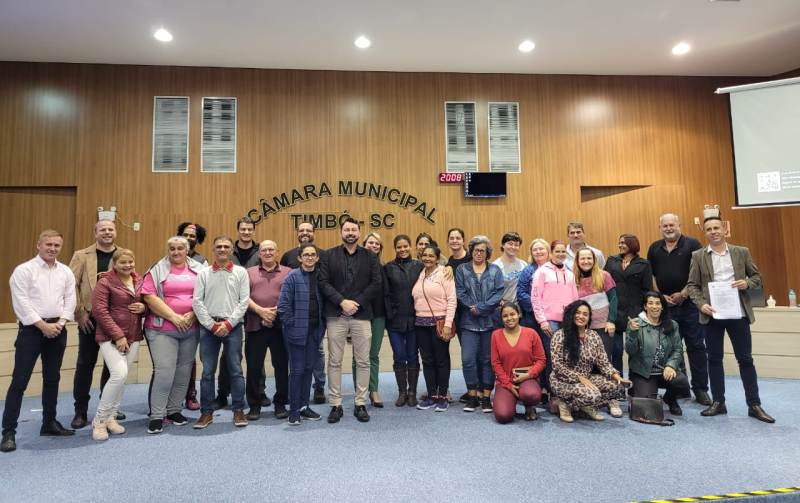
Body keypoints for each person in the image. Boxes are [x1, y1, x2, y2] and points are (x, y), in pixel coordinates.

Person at [686, 216, 774, 423]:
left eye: (716, 227)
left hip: (738, 314)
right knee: (714, 359)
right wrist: (701, 304)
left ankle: (754, 404)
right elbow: (692, 285)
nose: (713, 231)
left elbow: (757, 277)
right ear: (705, 233)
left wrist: (746, 283)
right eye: (709, 229)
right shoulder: (698, 256)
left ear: (724, 230)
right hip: (712, 315)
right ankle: (719, 402)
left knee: (745, 359)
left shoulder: (741, 252)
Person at [2, 230, 76, 453]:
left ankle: (49, 423)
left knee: (52, 379)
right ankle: (8, 431)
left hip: (58, 329)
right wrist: (43, 326)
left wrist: (60, 323)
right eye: (48, 244)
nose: (52, 248)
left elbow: (70, 299)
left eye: (56, 245)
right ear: (39, 245)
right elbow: (21, 302)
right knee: (20, 380)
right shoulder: (24, 270)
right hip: (31, 331)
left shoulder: (65, 271)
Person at [318, 217, 382, 424]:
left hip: (361, 314)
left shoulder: (370, 256)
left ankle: (360, 402)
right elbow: (323, 282)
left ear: (359, 232)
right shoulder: (328, 255)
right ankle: (335, 404)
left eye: (354, 229)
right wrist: (342, 302)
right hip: (336, 314)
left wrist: (357, 303)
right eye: (347, 230)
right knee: (334, 361)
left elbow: (376, 283)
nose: (350, 233)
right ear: (341, 232)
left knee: (363, 361)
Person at [141, 236, 204, 434]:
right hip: (162, 329)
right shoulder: (157, 269)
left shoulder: (200, 269)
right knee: (165, 372)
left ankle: (174, 410)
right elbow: (149, 297)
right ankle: (157, 415)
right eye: (172, 249)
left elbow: (206, 294)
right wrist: (174, 317)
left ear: (187, 250)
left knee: (184, 372)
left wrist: (192, 315)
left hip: (191, 328)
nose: (176, 252)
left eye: (180, 248)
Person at [647, 213, 710, 406]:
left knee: (696, 347)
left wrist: (683, 293)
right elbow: (652, 276)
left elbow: (699, 273)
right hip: (666, 308)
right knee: (670, 350)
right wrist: (660, 297)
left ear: (679, 225)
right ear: (660, 227)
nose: (668, 228)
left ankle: (700, 389)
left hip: (690, 306)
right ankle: (679, 389)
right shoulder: (654, 248)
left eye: (671, 225)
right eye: (665, 225)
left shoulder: (693, 244)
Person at [192, 236, 250, 429]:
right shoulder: (203, 273)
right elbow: (197, 302)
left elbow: (244, 301)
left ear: (231, 250)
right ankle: (206, 412)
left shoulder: (241, 272)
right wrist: (212, 325)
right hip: (209, 328)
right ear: (213, 249)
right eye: (219, 246)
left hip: (233, 327)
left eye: (226, 246)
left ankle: (238, 409)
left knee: (236, 369)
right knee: (208, 372)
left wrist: (229, 324)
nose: (222, 249)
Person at [90, 249, 146, 440]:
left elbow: (146, 302)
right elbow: (99, 310)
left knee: (122, 378)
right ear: (114, 264)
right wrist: (118, 335)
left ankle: (111, 418)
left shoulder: (138, 280)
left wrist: (144, 308)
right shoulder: (105, 282)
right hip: (110, 336)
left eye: (130, 261)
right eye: (123, 262)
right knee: (118, 374)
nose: (128, 265)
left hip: (134, 335)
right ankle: (99, 421)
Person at [68, 219, 117, 429]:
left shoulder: (123, 254)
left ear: (115, 232)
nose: (107, 232)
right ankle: (80, 411)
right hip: (88, 319)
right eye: (102, 229)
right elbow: (70, 285)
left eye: (110, 229)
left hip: (114, 320)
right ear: (95, 233)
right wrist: (79, 312)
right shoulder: (81, 255)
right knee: (85, 365)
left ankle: (107, 410)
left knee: (112, 366)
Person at [550, 300, 630, 423]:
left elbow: (603, 362)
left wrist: (617, 377)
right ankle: (564, 403)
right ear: (571, 314)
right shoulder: (560, 335)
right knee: (593, 396)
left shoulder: (593, 336)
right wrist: (579, 378)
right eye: (577, 313)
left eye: (585, 314)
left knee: (617, 387)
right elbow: (557, 366)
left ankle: (583, 406)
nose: (581, 316)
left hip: (586, 378)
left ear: (589, 318)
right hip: (562, 380)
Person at [217, 217, 263, 410]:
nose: (246, 232)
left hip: (254, 309)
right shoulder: (228, 250)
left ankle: (259, 392)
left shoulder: (260, 252)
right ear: (238, 230)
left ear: (253, 231)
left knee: (255, 353)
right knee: (228, 355)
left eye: (249, 229)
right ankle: (222, 394)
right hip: (230, 309)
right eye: (243, 229)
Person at [455, 235, 504, 413]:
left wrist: (481, 308)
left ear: (487, 253)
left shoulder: (495, 270)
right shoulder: (462, 269)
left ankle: (486, 398)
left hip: (490, 322)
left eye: (482, 250)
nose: (479, 253)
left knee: (487, 360)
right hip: (468, 322)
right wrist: (472, 307)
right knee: (468, 360)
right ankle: (472, 396)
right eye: (476, 250)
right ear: (471, 251)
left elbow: (499, 293)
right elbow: (460, 291)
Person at [278, 244, 326, 425]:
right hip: (296, 331)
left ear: (317, 258)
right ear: (300, 258)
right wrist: (291, 325)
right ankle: (294, 410)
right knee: (297, 371)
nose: (310, 257)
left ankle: (304, 407)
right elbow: (283, 306)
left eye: (313, 254)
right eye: (306, 254)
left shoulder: (321, 277)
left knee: (308, 369)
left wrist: (322, 326)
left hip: (315, 331)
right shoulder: (292, 276)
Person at [245, 240, 290, 420]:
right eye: (264, 250)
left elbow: (290, 296)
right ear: (259, 253)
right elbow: (243, 296)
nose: (268, 252)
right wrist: (261, 311)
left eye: (271, 249)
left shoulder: (288, 272)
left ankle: (280, 403)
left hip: (280, 328)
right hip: (255, 325)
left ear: (277, 252)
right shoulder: (249, 272)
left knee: (281, 367)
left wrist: (274, 313)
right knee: (254, 368)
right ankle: (254, 405)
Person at [625, 292, 690, 416]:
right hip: (644, 373)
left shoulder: (672, 325)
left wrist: (671, 365)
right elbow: (630, 351)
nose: (654, 306)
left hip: (664, 370)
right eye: (650, 303)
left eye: (657, 303)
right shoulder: (635, 323)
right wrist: (633, 333)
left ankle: (670, 399)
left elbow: (678, 350)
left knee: (681, 382)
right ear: (645, 306)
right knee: (647, 410)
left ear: (662, 306)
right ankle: (642, 392)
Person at [411, 245, 456, 411]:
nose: (427, 258)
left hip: (440, 323)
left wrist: (448, 324)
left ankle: (443, 396)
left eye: (431, 256)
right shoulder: (420, 273)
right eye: (425, 255)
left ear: (437, 258)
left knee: (441, 360)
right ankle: (432, 395)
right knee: (427, 360)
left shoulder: (444, 273)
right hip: (421, 324)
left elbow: (452, 300)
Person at [531, 240, 578, 397]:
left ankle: (565, 389)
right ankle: (552, 391)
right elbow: (535, 298)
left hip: (567, 321)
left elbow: (575, 299)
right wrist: (542, 321)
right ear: (551, 253)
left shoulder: (570, 274)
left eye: (563, 251)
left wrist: (575, 320)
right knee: (552, 356)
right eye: (557, 251)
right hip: (549, 321)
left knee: (566, 355)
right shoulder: (542, 272)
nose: (560, 254)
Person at [383, 234, 424, 407]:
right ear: (395, 248)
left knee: (413, 356)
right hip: (395, 321)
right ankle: (402, 392)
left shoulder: (419, 266)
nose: (402, 249)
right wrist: (390, 314)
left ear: (410, 247)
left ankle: (412, 392)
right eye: (399, 247)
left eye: (405, 246)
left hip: (415, 319)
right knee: (399, 356)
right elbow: (385, 294)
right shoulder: (388, 268)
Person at [604, 234, 652, 373]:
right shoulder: (612, 261)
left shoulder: (644, 264)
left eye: (623, 243)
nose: (620, 245)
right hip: (614, 311)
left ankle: (635, 381)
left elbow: (647, 289)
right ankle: (617, 382)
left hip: (635, 311)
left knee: (635, 349)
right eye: (619, 242)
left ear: (632, 244)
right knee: (616, 350)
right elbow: (604, 283)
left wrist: (646, 311)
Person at [490, 303, 546, 423]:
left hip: (528, 379)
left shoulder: (531, 333)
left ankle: (529, 406)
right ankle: (510, 402)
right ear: (501, 318)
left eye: (512, 314)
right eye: (505, 316)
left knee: (531, 395)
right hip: (505, 381)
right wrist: (508, 384)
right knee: (503, 416)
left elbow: (541, 360)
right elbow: (495, 363)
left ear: (519, 314)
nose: (509, 318)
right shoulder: (495, 335)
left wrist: (529, 374)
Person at [177, 221, 207, 411]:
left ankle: (190, 394)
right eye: (185, 234)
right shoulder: (169, 257)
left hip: (193, 317)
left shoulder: (202, 262)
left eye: (192, 236)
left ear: (198, 239)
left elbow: (205, 291)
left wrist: (193, 314)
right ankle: (168, 398)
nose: (188, 238)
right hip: (170, 317)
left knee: (189, 358)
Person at [357, 232, 387, 407]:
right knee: (359, 356)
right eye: (370, 242)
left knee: (373, 355)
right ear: (364, 244)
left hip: (378, 316)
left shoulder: (383, 267)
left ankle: (373, 390)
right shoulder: (355, 266)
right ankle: (359, 391)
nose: (374, 245)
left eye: (377, 244)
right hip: (359, 316)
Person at [517, 238, 549, 329]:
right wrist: (537, 307)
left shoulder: (555, 269)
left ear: (548, 251)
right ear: (531, 253)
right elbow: (521, 293)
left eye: (541, 249)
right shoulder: (527, 271)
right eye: (535, 250)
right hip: (532, 316)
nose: (538, 252)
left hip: (551, 315)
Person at [491, 231, 528, 311]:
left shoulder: (523, 264)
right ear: (503, 245)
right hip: (502, 310)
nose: (513, 247)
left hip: (521, 310)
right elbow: (490, 291)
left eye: (516, 245)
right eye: (510, 244)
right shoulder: (495, 266)